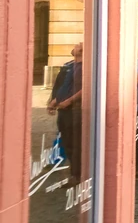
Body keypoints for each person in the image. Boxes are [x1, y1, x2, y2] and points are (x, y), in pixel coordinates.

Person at [51, 45, 84, 190]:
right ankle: (74, 173)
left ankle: (76, 175)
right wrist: (54, 100)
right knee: (67, 142)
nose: (75, 46)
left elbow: (85, 88)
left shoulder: (84, 67)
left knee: (75, 143)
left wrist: (69, 101)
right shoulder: (71, 66)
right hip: (63, 110)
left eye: (79, 45)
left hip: (74, 110)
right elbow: (64, 85)